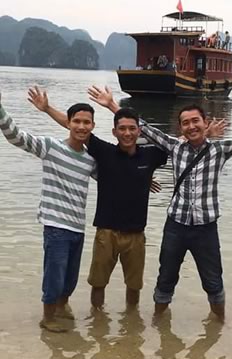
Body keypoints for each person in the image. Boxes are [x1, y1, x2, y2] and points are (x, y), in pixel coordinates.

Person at [88, 85, 232, 322]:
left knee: (213, 280)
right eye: (186, 122)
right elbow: (142, 128)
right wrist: (112, 105)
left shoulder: (220, 150)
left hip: (206, 228)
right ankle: (157, 324)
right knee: (165, 279)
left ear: (205, 123)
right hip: (176, 226)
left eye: (196, 121)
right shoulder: (175, 148)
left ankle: (219, 324)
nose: (191, 126)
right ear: (180, 127)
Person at [28, 88, 190, 311]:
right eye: (121, 129)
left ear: (139, 131)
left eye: (132, 129)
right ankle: (98, 322)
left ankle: (131, 323)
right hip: (106, 233)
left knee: (134, 286)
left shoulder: (151, 155)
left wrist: (198, 135)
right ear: (114, 132)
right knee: (98, 284)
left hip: (136, 234)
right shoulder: (104, 153)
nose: (127, 133)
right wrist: (46, 109)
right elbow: (75, 127)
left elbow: (176, 144)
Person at [0, 87, 97, 332]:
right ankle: (48, 317)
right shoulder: (50, 147)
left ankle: (63, 306)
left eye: (86, 122)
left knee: (71, 277)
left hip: (78, 226)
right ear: (69, 123)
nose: (81, 127)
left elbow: (114, 176)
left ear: (93, 126)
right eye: (76, 121)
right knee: (54, 274)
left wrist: (143, 177)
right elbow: (16, 137)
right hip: (56, 226)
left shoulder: (90, 160)